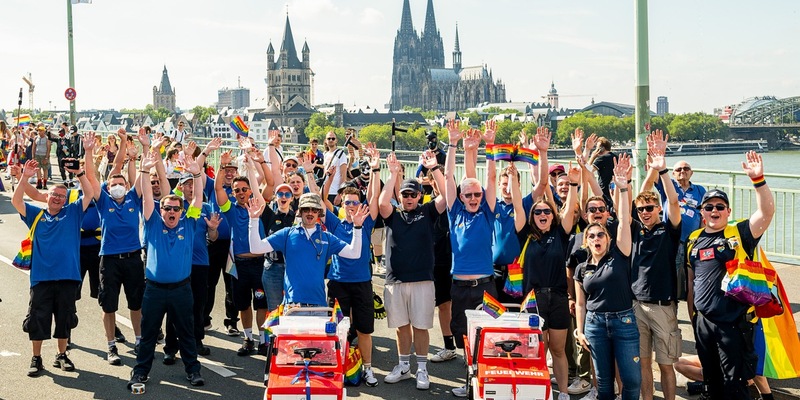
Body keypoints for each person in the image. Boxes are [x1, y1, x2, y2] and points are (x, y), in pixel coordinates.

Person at [686, 151, 774, 400]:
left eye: (720, 207)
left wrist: (758, 180)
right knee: (712, 383)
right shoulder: (693, 240)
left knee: (735, 385)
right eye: (709, 207)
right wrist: (694, 318)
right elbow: (692, 282)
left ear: (728, 210)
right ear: (702, 212)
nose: (714, 210)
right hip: (703, 323)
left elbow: (766, 213)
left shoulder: (739, 233)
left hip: (733, 323)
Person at [13, 142, 94, 377]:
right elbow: (18, 202)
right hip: (41, 278)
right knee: (38, 319)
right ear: (46, 196)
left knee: (64, 320)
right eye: (54, 195)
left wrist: (79, 173)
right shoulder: (36, 215)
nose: (58, 198)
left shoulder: (73, 213)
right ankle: (36, 358)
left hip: (68, 277)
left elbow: (89, 193)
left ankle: (61, 355)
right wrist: (25, 178)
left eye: (62, 196)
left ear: (66, 199)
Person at [127, 150, 205, 389]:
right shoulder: (151, 223)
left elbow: (198, 198)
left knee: (187, 333)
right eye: (167, 208)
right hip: (154, 290)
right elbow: (147, 197)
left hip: (182, 290)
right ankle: (140, 372)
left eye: (175, 209)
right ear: (161, 210)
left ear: (181, 211)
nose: (171, 212)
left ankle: (193, 371)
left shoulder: (190, 223)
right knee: (148, 334)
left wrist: (197, 174)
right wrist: (144, 168)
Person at [378, 150, 447, 390]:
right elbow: (381, 202)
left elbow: (447, 198)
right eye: (405, 194)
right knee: (401, 326)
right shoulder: (393, 215)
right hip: (395, 280)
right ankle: (403, 365)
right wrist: (393, 173)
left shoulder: (427, 213)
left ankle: (422, 369)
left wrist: (435, 168)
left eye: (413, 194)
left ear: (419, 196)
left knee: (421, 326)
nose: (408, 198)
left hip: (422, 280)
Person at [575, 153, 641, 400]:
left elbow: (624, 220)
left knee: (632, 380)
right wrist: (581, 331)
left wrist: (623, 188)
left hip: (623, 322)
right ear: (587, 242)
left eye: (600, 235)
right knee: (603, 383)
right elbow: (581, 303)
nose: (596, 239)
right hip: (595, 324)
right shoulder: (582, 268)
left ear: (608, 239)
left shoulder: (620, 254)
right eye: (591, 236)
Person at [444, 120, 498, 397]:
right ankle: (469, 383)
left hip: (485, 286)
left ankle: (486, 384)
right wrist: (452, 144)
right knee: (464, 338)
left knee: (487, 338)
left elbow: (490, 179)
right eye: (470, 194)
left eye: (478, 194)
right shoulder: (455, 212)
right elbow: (449, 177)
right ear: (462, 197)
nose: (475, 197)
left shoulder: (487, 212)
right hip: (460, 288)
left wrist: (489, 146)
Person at [86, 129, 146, 365]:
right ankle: (111, 346)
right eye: (114, 183)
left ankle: (140, 340)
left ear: (126, 185)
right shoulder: (103, 201)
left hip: (133, 258)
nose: (118, 186)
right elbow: (90, 177)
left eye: (121, 183)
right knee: (108, 305)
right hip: (109, 259)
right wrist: (89, 151)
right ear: (108, 187)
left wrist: (142, 148)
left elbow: (143, 172)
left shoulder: (133, 197)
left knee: (136, 304)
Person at [323, 145, 381, 387]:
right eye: (347, 202)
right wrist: (326, 177)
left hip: (362, 283)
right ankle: (337, 366)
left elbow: (375, 197)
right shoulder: (335, 223)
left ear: (360, 205)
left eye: (355, 203)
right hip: (337, 283)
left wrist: (376, 168)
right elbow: (321, 199)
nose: (351, 206)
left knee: (365, 330)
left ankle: (367, 369)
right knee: (337, 330)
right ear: (343, 203)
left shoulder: (366, 222)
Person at [246, 192, 366, 309]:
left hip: (319, 304)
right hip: (293, 304)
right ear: (300, 211)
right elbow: (256, 248)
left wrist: (357, 227)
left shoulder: (327, 237)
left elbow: (354, 253)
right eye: (306, 209)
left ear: (319, 213)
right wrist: (254, 220)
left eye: (314, 210)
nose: (310, 213)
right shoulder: (287, 234)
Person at [631, 142, 682, 400]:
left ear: (658, 210)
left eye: (650, 208)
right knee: (642, 364)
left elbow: (673, 200)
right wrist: (649, 172)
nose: (645, 212)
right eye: (641, 209)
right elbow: (640, 194)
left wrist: (662, 171)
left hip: (663, 307)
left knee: (666, 364)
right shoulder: (635, 230)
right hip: (638, 305)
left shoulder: (668, 231)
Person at [214, 149, 270, 356]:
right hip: (239, 265)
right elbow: (218, 188)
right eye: (237, 190)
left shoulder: (259, 206)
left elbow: (263, 185)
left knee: (261, 304)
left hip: (259, 265)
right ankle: (248, 339)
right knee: (244, 305)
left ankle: (263, 341)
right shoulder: (230, 209)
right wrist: (222, 166)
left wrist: (254, 162)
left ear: (249, 191)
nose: (241, 192)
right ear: (234, 193)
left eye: (244, 189)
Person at [162, 173, 221, 363]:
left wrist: (212, 229)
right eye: (186, 185)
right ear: (180, 187)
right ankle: (171, 347)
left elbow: (213, 238)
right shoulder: (175, 207)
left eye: (193, 184)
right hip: (179, 264)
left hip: (200, 263)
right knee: (174, 306)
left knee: (197, 304)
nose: (190, 188)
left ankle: (197, 341)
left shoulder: (206, 207)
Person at [642, 131, 706, 302]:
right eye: (678, 169)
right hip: (672, 240)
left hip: (693, 241)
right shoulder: (668, 185)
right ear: (673, 173)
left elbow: (704, 215)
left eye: (686, 169)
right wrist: (654, 155)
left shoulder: (700, 190)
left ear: (691, 173)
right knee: (672, 276)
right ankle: (672, 308)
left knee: (695, 279)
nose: (682, 171)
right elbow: (650, 180)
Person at [322, 131, 349, 203]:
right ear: (326, 140)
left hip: (335, 192)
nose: (331, 140)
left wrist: (340, 194)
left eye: (333, 138)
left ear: (336, 140)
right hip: (325, 191)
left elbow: (343, 176)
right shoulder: (325, 154)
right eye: (329, 138)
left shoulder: (341, 154)